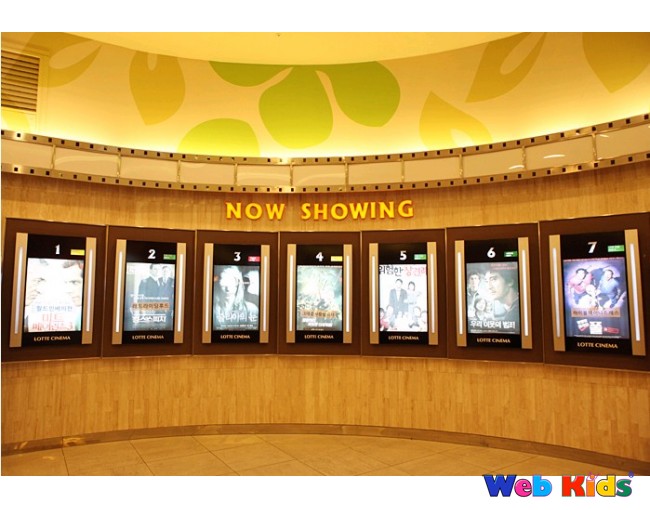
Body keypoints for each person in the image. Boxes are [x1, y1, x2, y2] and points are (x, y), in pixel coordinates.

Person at [213, 265, 259, 330]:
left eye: (231, 282)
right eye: (224, 284)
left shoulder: (251, 309)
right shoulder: (214, 310)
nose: (228, 289)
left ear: (238, 285)